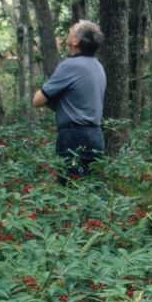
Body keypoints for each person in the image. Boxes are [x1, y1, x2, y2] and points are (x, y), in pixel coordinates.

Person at [33, 20, 106, 186]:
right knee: (93, 186)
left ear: (76, 41)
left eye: (72, 29)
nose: (69, 29)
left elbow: (37, 100)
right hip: (95, 136)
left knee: (72, 187)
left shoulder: (70, 66)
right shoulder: (98, 66)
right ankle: (101, 213)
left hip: (73, 137)